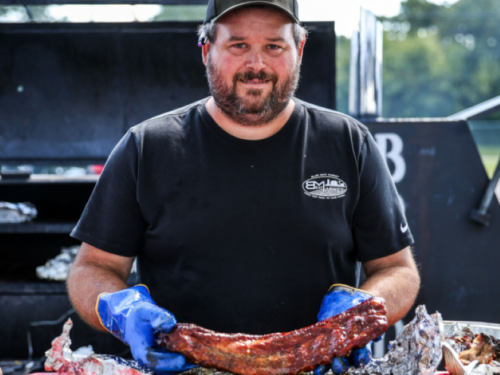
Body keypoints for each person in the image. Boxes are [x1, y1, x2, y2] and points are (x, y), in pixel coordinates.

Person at [67, 0, 420, 374]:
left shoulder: (348, 143)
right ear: (206, 51)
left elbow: (398, 270)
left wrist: (364, 305)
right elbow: (91, 268)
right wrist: (118, 309)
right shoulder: (147, 147)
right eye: (238, 45)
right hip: (182, 369)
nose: (257, 65)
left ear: (298, 50)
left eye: (274, 46)